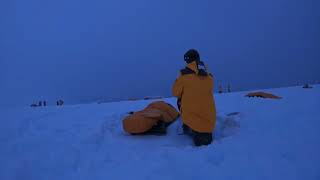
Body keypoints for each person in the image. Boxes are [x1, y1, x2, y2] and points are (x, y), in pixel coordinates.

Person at [172, 49, 216, 146]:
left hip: (191, 118)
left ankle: (187, 125)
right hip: (210, 121)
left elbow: (175, 93)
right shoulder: (210, 76)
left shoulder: (183, 74)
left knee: (180, 100)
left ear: (187, 60)